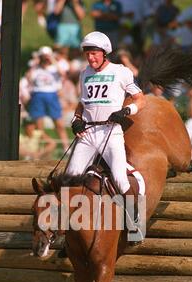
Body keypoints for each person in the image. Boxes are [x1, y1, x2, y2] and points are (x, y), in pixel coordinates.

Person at [66, 31, 146, 211]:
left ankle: (136, 220)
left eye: (94, 53)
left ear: (104, 53)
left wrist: (126, 110)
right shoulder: (84, 73)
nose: (90, 58)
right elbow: (82, 103)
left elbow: (141, 99)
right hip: (87, 134)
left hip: (110, 132)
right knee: (70, 178)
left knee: (119, 178)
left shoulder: (121, 72)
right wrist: (76, 119)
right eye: (87, 54)